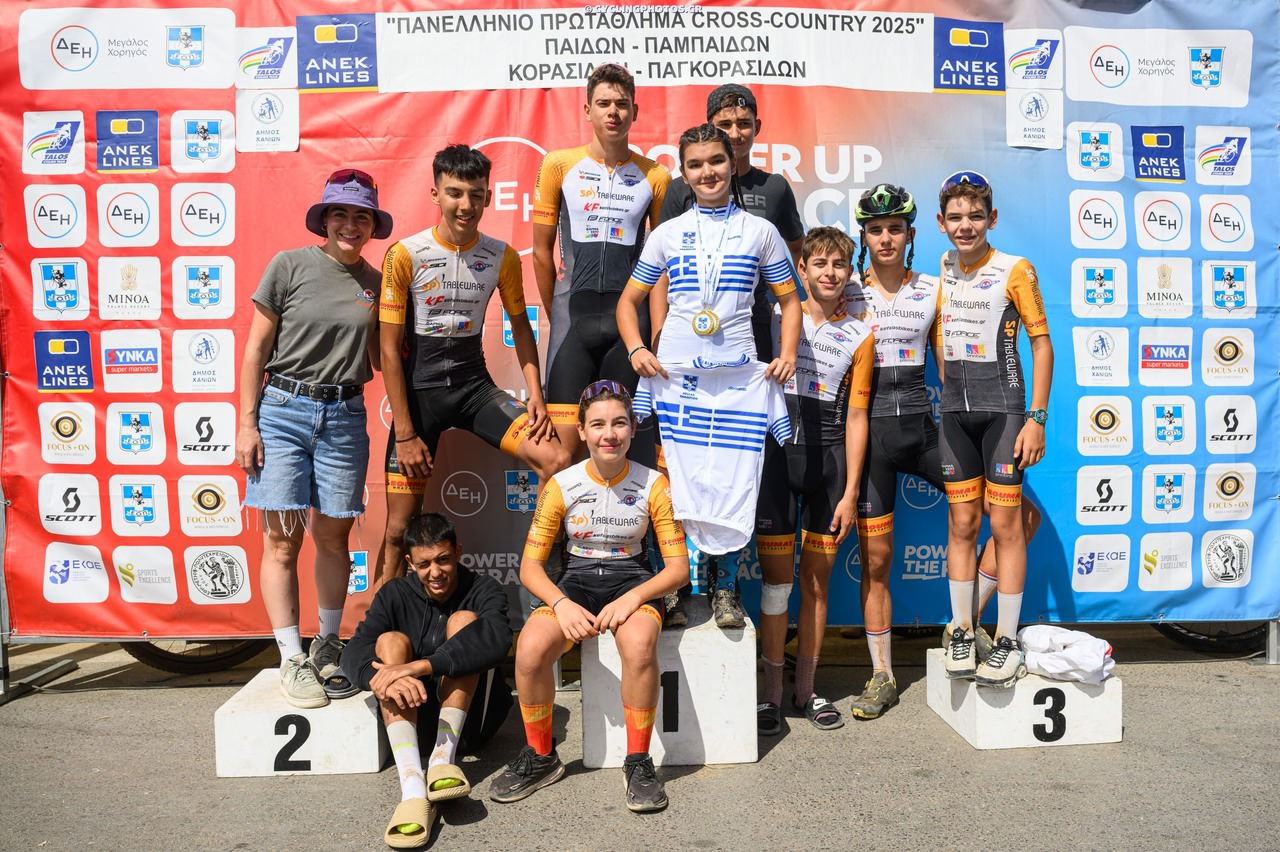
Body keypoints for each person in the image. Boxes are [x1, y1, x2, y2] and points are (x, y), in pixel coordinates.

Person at [617, 123, 800, 630]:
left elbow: (790, 301)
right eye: (695, 165)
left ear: (731, 163)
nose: (707, 173)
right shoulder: (667, 233)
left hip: (738, 376)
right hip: (676, 376)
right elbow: (628, 303)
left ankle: (726, 589)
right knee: (677, 479)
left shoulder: (760, 232)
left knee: (732, 477)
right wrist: (637, 348)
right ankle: (674, 587)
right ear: (684, 172)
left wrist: (786, 353)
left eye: (716, 161)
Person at [488, 381, 689, 813]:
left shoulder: (655, 484)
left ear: (633, 428)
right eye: (597, 425)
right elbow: (529, 568)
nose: (609, 434)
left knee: (639, 645)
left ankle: (638, 762)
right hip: (575, 584)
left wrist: (632, 599)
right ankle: (542, 756)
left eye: (619, 423)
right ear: (581, 431)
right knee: (530, 649)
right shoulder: (561, 484)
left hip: (632, 581)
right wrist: (561, 604)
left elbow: (677, 570)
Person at [376, 144, 569, 589]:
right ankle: (381, 622)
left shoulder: (501, 255)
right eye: (455, 193)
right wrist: (405, 434)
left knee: (556, 458)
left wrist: (535, 394)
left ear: (488, 197)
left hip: (474, 390)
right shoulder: (405, 254)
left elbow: (521, 327)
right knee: (397, 531)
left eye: (477, 195)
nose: (466, 205)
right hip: (420, 400)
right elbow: (388, 351)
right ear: (435, 194)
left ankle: (539, 571)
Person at [236, 168, 390, 709]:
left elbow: (383, 357)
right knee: (281, 540)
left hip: (345, 415)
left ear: (372, 225)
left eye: (361, 215)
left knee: (333, 537)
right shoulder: (289, 265)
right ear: (324, 220)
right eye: (340, 213)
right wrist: (247, 423)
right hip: (282, 411)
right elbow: (256, 350)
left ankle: (326, 643)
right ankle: (290, 657)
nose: (350, 224)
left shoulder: (376, 283)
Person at [935, 170, 1053, 688]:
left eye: (976, 217)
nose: (966, 226)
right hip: (954, 417)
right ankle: (962, 630)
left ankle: (1007, 640)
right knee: (961, 525)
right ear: (941, 223)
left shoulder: (1015, 269)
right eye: (956, 217)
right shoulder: (943, 269)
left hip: (1005, 414)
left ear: (993, 219)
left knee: (1005, 527)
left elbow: (1042, 345)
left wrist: (1036, 419)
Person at [755, 226, 873, 735]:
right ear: (800, 270)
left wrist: (850, 492)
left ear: (849, 272)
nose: (829, 273)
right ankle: (770, 695)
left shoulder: (861, 333)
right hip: (776, 463)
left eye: (839, 265)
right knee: (777, 587)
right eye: (819, 264)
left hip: (828, 467)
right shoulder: (774, 316)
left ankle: (806, 691)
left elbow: (857, 417)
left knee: (816, 585)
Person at [344, 513, 513, 848]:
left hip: (469, 728)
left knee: (465, 623)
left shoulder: (484, 588)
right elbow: (353, 653)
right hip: (411, 725)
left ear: (458, 552)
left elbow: (498, 641)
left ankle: (441, 760)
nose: (435, 572)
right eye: (424, 564)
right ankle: (412, 787)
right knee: (389, 642)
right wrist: (383, 677)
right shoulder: (393, 593)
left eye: (443, 560)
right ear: (410, 563)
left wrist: (420, 667)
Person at [533, 63, 670, 458]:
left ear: (635, 112)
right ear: (587, 110)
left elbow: (660, 266)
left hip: (629, 328)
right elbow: (541, 253)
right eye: (604, 103)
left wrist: (656, 335)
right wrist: (560, 310)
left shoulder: (656, 175)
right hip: (571, 324)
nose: (613, 112)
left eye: (622, 104)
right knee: (559, 458)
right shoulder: (559, 165)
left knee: (626, 454)